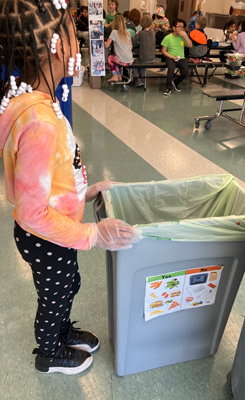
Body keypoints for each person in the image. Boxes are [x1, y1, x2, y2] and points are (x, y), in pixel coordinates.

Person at [0, 0, 142, 376]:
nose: (77, 43)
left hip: (55, 229)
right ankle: (50, 353)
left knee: (69, 285)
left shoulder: (39, 102)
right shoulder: (39, 121)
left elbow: (48, 178)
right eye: (70, 34)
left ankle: (62, 333)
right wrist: (93, 233)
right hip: (46, 235)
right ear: (57, 46)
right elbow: (30, 209)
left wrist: (86, 189)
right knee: (55, 295)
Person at [161, 18, 192, 96]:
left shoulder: (182, 37)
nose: (181, 29)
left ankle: (176, 82)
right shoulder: (168, 38)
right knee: (171, 68)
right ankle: (168, 87)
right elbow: (163, 51)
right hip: (170, 57)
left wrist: (185, 36)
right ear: (174, 28)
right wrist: (172, 57)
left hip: (181, 57)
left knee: (186, 72)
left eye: (183, 27)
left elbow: (190, 45)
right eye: (179, 26)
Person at [105, 15, 134, 83]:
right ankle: (119, 76)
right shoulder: (128, 33)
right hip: (130, 61)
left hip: (121, 61)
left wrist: (104, 42)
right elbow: (131, 47)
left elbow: (107, 45)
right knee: (115, 57)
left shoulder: (114, 32)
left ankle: (115, 75)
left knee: (110, 58)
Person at [132, 15, 156, 88]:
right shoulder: (152, 33)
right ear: (150, 24)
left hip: (143, 59)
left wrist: (136, 35)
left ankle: (138, 78)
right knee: (142, 63)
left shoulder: (140, 33)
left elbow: (133, 42)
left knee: (134, 63)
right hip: (152, 59)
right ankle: (143, 78)